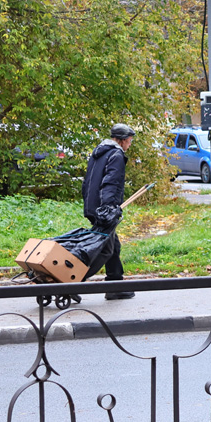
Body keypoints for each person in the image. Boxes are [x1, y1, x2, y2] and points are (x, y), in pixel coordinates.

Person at [82, 122, 136, 300]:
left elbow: (87, 182)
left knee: (113, 246)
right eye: (129, 141)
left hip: (93, 206)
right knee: (105, 250)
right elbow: (110, 183)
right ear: (123, 140)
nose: (130, 144)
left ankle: (115, 285)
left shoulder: (99, 152)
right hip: (103, 209)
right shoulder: (116, 155)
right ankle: (73, 281)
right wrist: (108, 210)